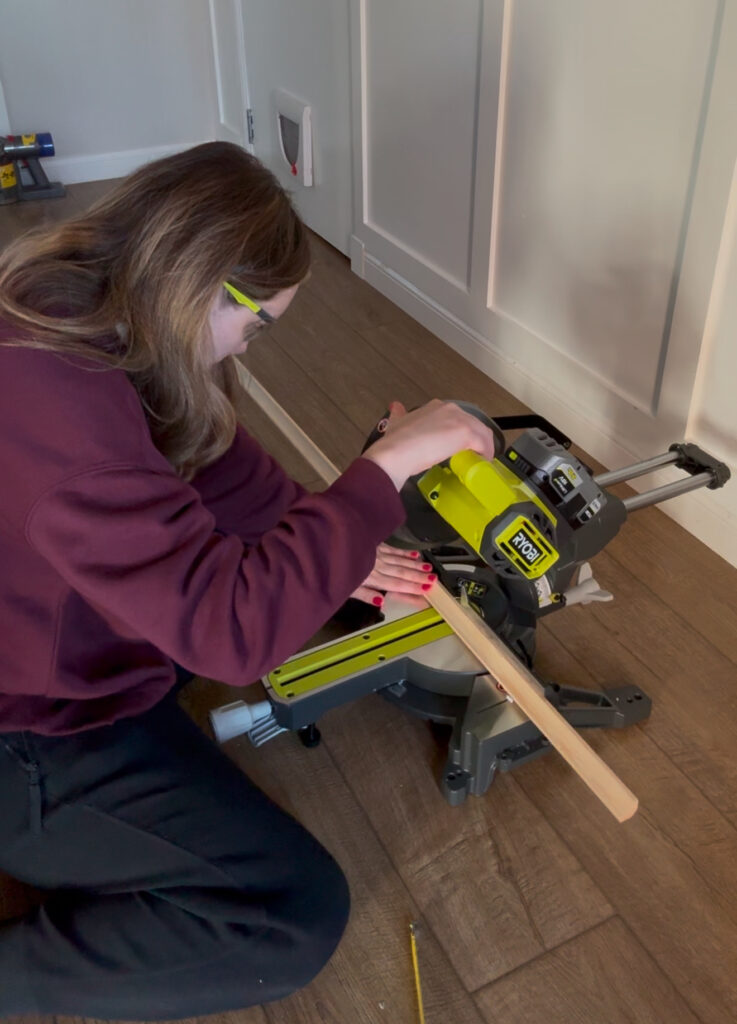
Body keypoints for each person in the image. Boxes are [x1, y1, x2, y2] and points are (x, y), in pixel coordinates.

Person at [0, 141, 497, 1019]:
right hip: (29, 727)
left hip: (61, 652)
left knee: (257, 584)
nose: (254, 345)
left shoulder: (88, 306)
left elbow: (218, 459)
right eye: (259, 323)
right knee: (290, 918)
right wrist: (381, 474)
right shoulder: (54, 399)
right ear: (204, 286)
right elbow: (233, 636)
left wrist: (334, 540)